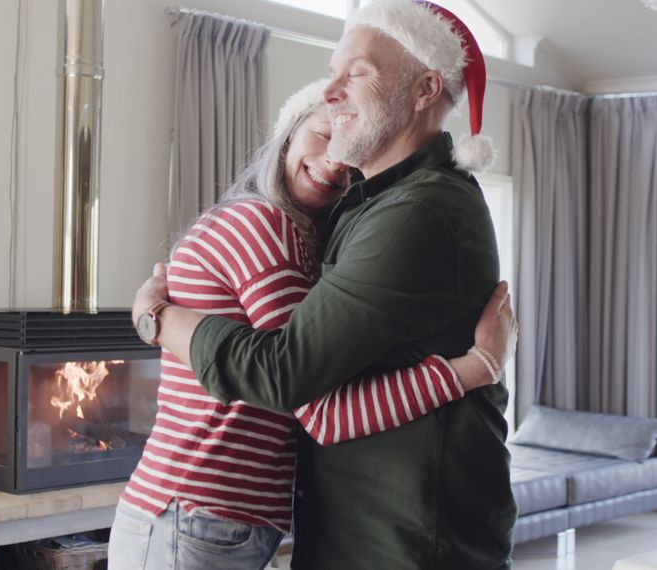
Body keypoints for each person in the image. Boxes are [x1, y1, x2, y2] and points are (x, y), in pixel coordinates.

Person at [129, 1, 516, 568]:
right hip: (234, 522)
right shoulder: (348, 211)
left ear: (425, 89)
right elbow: (319, 403)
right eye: (331, 76)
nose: (331, 92)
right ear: (285, 138)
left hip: (407, 544)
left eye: (356, 73)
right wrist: (471, 370)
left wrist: (157, 320)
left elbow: (286, 374)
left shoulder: (414, 211)